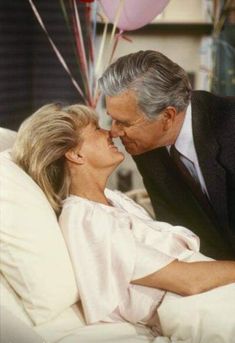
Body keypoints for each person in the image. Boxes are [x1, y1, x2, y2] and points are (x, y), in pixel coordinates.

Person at [12, 103, 235, 340]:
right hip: (197, 306)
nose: (111, 132)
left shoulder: (113, 201)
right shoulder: (84, 220)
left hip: (212, 292)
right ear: (76, 154)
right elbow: (188, 281)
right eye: (97, 128)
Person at [98, 50, 235, 260]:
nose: (114, 133)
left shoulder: (229, 124)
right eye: (112, 120)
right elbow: (177, 234)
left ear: (168, 116)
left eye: (124, 123)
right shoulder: (147, 147)